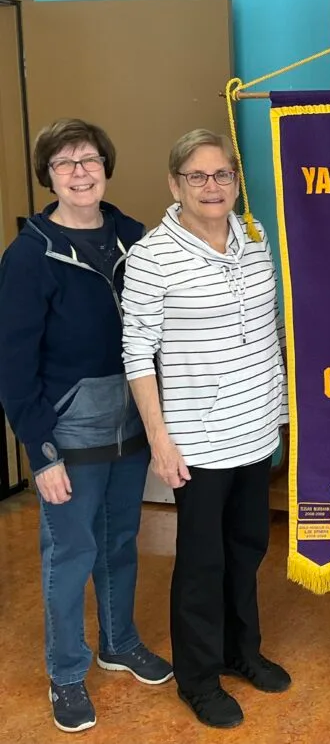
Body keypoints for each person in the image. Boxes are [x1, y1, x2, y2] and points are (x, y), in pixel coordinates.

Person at [0, 118, 173, 734]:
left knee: (120, 541)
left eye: (90, 159)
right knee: (72, 553)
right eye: (65, 163)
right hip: (68, 434)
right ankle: (67, 672)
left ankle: (118, 643)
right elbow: (14, 365)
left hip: (130, 424)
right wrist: (40, 453)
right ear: (48, 176)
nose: (80, 172)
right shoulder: (30, 255)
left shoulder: (135, 237)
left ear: (106, 167)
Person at [121, 129, 290, 729]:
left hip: (256, 429)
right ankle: (197, 678)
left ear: (235, 182)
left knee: (247, 550)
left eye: (222, 174)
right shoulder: (151, 256)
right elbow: (137, 353)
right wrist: (160, 439)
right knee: (201, 564)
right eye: (197, 176)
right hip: (197, 442)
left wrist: (281, 413)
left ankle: (241, 651)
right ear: (175, 185)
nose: (211, 186)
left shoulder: (255, 236)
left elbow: (270, 328)